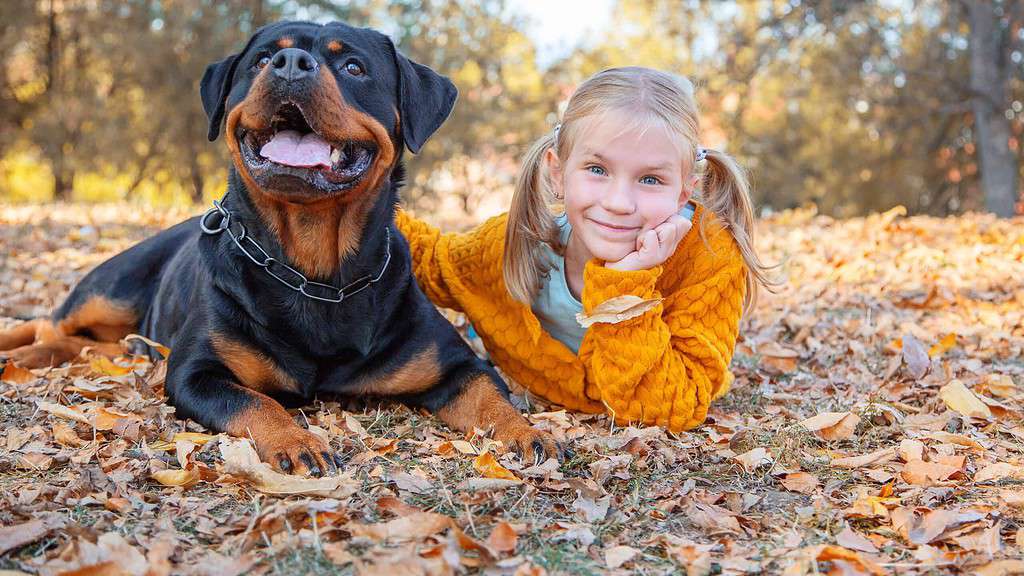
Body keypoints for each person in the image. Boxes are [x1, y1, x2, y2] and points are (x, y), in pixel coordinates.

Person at [395, 67, 775, 433]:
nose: (619, 202)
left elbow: (667, 409)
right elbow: (428, 259)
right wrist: (364, 196)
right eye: (597, 169)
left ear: (683, 192)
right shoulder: (519, 242)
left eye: (650, 179)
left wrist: (625, 286)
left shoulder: (709, 255)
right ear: (558, 173)